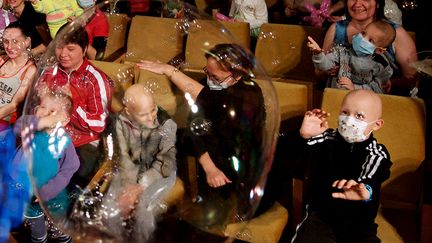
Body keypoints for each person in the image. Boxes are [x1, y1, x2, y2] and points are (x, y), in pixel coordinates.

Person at [137, 43, 266, 225]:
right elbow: (194, 128)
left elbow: (209, 99)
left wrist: (169, 70)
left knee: (216, 218)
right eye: (207, 71)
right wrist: (209, 167)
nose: (209, 78)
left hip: (237, 162)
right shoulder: (211, 86)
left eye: (215, 76)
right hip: (209, 153)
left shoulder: (249, 94)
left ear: (236, 75)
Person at [291, 89, 392, 242]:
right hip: (321, 217)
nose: (349, 119)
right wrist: (303, 137)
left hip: (360, 224)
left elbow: (373, 176)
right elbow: (296, 163)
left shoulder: (376, 152)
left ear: (377, 124)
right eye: (345, 112)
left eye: (359, 116)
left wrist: (365, 190)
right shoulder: (324, 138)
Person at [35, 25, 112, 186]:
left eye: (70, 49)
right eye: (59, 47)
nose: (63, 54)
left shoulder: (95, 79)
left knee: (66, 176)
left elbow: (99, 123)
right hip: (49, 134)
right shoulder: (50, 72)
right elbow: (36, 105)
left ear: (84, 50)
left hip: (82, 142)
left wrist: (70, 104)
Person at [15, 91, 79, 243]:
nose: (45, 113)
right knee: (36, 228)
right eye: (42, 107)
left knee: (58, 226)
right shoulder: (30, 128)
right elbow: (18, 126)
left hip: (50, 193)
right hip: (24, 189)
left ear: (64, 120)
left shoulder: (63, 140)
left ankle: (62, 237)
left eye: (52, 111)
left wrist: (48, 191)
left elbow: (71, 166)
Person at [322, 0, 417, 96]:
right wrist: (330, 69)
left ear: (378, 3)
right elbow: (318, 73)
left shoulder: (396, 33)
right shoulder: (336, 29)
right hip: (339, 98)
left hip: (381, 101)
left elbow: (412, 77)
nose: (357, 4)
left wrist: (387, 83)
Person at [114, 83, 177, 216]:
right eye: (143, 115)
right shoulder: (120, 121)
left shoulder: (167, 124)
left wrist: (140, 187)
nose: (150, 117)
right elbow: (122, 155)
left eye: (153, 110)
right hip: (130, 172)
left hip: (159, 174)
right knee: (115, 207)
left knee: (145, 215)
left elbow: (164, 163)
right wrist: (129, 185)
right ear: (128, 111)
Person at [308, 20, 395, 93]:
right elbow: (324, 66)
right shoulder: (342, 51)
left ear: (379, 50)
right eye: (363, 33)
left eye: (370, 40)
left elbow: (378, 89)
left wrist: (354, 88)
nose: (362, 38)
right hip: (335, 96)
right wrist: (318, 54)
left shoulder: (381, 64)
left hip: (360, 103)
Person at [0, 21, 36, 130]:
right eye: (6, 41)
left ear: (27, 41)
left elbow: (14, 105)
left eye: (15, 41)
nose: (10, 47)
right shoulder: (2, 60)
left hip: (5, 123)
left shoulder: (30, 70)